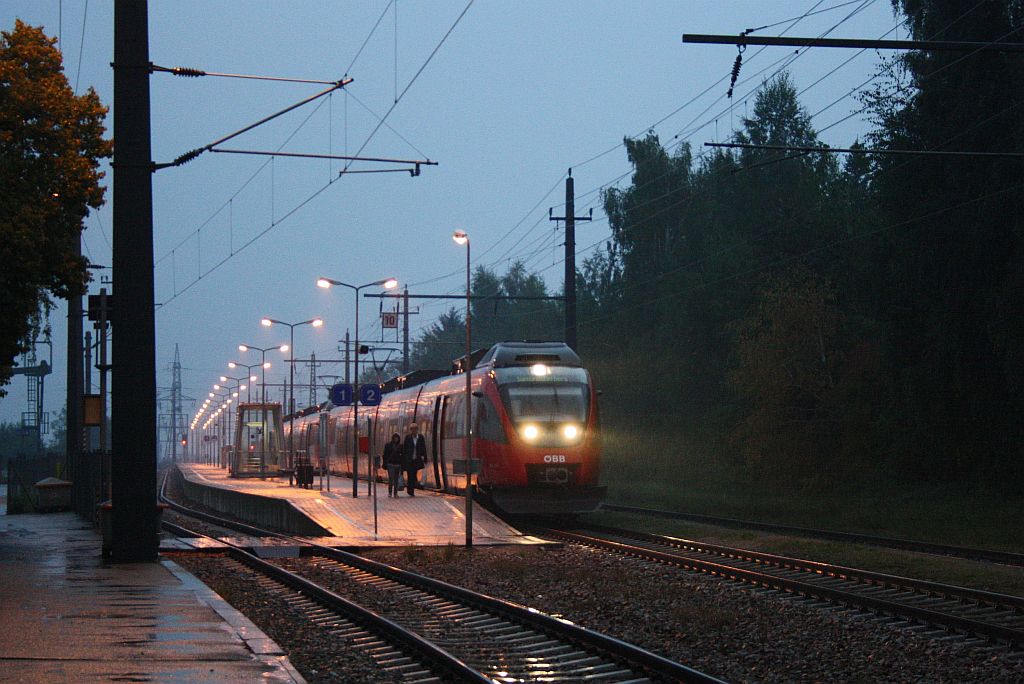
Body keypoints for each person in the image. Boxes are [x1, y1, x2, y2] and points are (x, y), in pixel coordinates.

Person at [402, 422, 427, 496]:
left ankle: (411, 488)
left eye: (415, 429)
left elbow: (423, 447)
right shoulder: (408, 438)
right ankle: (410, 490)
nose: (414, 430)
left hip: (416, 460)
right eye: (412, 429)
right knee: (410, 474)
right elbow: (405, 449)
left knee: (414, 474)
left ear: (417, 429)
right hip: (409, 460)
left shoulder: (420, 437)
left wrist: (424, 457)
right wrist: (404, 459)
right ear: (411, 430)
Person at [382, 433, 403, 497]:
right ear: (393, 438)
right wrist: (385, 463)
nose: (396, 439)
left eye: (397, 437)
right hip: (390, 464)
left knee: (396, 480)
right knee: (391, 478)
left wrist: (402, 464)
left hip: (398, 465)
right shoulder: (388, 445)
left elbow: (403, 455)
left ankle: (395, 493)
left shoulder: (401, 446)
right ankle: (390, 492)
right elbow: (385, 455)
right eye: (395, 437)